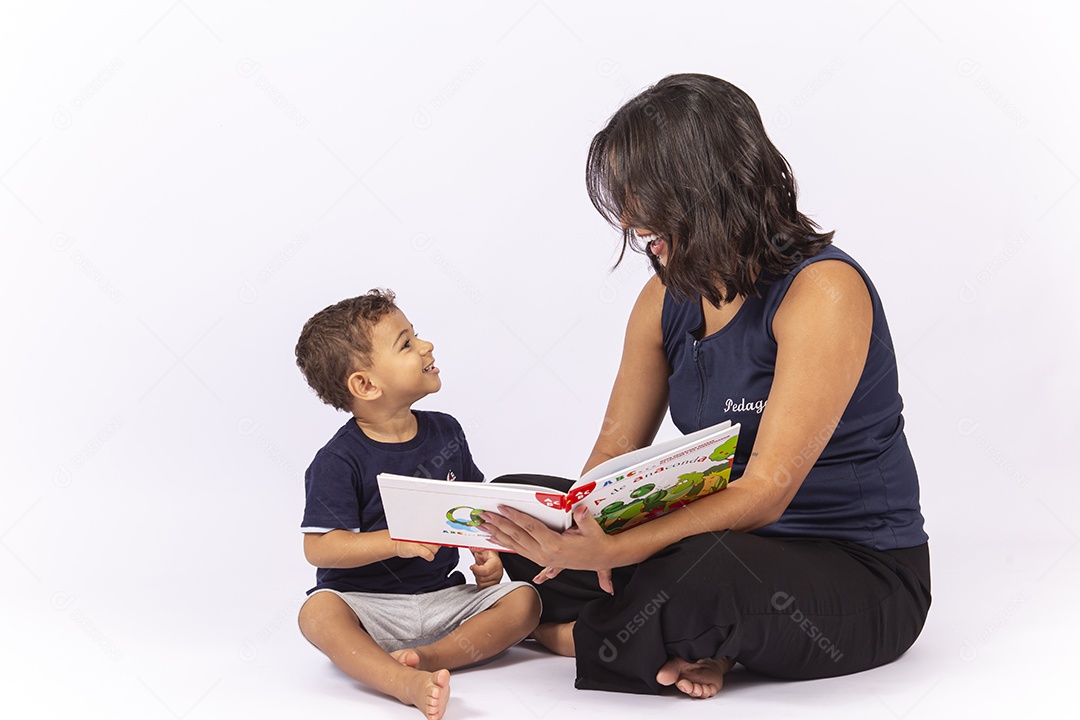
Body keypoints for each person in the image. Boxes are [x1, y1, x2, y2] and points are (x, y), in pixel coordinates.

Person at [480, 74, 931, 698]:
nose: (631, 216)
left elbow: (766, 495)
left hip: (852, 568)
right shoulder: (663, 296)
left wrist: (617, 553)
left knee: (703, 578)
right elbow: (612, 450)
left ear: (704, 183)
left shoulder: (822, 292)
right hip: (710, 532)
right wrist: (577, 527)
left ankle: (549, 631)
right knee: (514, 507)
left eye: (642, 190)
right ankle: (675, 639)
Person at [294, 289, 541, 720]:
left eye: (417, 335)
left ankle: (426, 658)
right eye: (406, 343)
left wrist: (486, 553)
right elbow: (321, 548)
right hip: (367, 607)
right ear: (366, 385)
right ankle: (401, 682)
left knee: (525, 603)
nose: (426, 346)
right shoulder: (338, 460)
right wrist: (396, 542)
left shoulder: (446, 432)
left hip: (443, 597)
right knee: (316, 613)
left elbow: (472, 509)